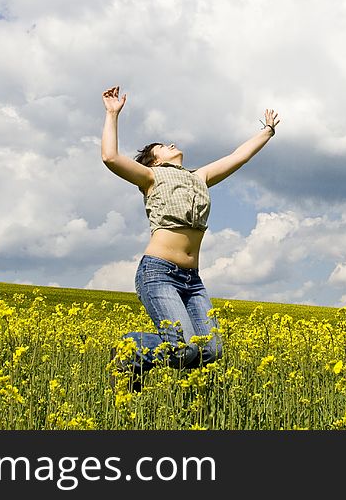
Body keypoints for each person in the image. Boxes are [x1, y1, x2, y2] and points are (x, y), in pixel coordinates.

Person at [100, 85, 280, 390]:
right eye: (163, 146)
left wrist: (267, 131)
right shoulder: (150, 177)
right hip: (158, 273)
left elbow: (239, 157)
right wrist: (112, 113)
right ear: (154, 161)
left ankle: (138, 353)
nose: (171, 144)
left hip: (192, 278)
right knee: (184, 348)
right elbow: (111, 157)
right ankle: (129, 347)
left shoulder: (200, 177)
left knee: (211, 351)